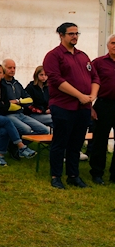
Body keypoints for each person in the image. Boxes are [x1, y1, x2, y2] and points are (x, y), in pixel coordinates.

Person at [43, 22, 98, 189]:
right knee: (60, 142)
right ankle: (56, 176)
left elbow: (95, 78)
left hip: (83, 108)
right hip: (63, 106)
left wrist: (91, 96)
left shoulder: (83, 55)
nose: (75, 36)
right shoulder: (54, 55)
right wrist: (80, 96)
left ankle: (73, 175)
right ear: (61, 35)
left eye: (77, 33)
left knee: (76, 143)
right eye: (71, 34)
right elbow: (56, 80)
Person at [90, 34, 115, 185]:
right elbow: (87, 83)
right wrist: (90, 107)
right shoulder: (98, 63)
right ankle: (97, 173)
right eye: (113, 43)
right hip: (104, 105)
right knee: (100, 141)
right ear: (108, 45)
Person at [2, 59, 51, 136]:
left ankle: (20, 144)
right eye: (9, 68)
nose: (12, 70)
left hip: (20, 113)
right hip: (8, 114)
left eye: (14, 68)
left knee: (45, 130)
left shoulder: (17, 84)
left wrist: (18, 102)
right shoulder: (0, 84)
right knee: (27, 129)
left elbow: (29, 99)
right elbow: (2, 103)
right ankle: (18, 144)